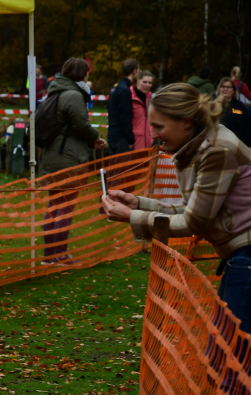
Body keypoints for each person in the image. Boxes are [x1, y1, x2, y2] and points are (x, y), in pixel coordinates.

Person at [102, 83, 251, 325]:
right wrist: (138, 203)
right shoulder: (203, 144)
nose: (153, 134)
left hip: (246, 258)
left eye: (159, 126)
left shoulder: (216, 151)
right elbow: (190, 209)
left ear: (185, 122)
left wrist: (131, 216)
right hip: (240, 258)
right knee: (224, 353)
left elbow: (192, 222)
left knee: (231, 355)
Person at [39, 57, 106, 265]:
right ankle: (59, 253)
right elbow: (81, 124)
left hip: (52, 157)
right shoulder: (74, 95)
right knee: (65, 206)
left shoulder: (55, 91)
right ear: (83, 75)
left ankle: (49, 254)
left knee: (54, 205)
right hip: (67, 159)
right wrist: (95, 136)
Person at [107, 59, 139, 155]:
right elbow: (125, 114)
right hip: (121, 137)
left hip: (112, 134)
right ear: (134, 71)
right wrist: (130, 138)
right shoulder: (125, 90)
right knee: (122, 168)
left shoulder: (116, 87)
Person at [217, 77, 251, 146]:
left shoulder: (240, 107)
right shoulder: (213, 106)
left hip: (237, 145)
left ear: (233, 90)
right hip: (218, 145)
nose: (225, 89)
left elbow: (248, 127)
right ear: (219, 89)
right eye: (223, 87)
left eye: (228, 87)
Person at [130, 71, 154, 150]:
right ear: (138, 81)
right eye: (144, 82)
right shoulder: (129, 96)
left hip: (148, 141)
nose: (147, 85)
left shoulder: (151, 98)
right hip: (133, 141)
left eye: (150, 83)